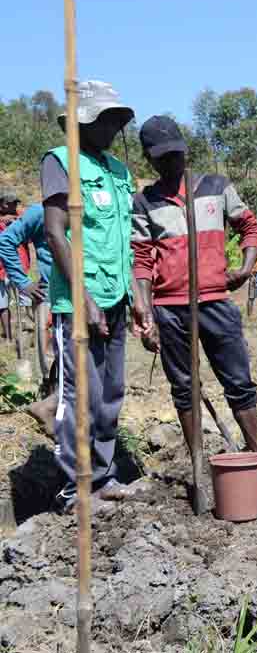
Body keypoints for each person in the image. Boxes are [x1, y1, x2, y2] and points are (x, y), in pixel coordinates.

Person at [130, 116, 257, 483]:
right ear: (149, 160)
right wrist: (145, 311)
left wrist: (247, 267)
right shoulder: (144, 201)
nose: (171, 163)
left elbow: (249, 226)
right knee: (185, 387)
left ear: (185, 151)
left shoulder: (215, 187)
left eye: (175, 155)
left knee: (238, 380)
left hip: (216, 301)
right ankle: (199, 465)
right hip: (170, 308)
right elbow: (140, 259)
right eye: (162, 158)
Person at [41, 80, 153, 514]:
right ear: (81, 121)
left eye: (114, 120)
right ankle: (75, 488)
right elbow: (55, 232)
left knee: (110, 393)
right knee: (80, 396)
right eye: (102, 120)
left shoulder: (119, 172)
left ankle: (104, 477)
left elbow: (126, 240)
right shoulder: (60, 162)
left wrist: (138, 298)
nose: (110, 128)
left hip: (117, 297)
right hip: (78, 300)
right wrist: (82, 296)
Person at [0, 196, 57, 428]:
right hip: (49, 291)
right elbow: (6, 242)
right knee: (50, 352)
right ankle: (50, 400)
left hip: (86, 292)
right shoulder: (38, 212)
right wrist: (23, 282)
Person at [0, 188, 30, 341]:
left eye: (15, 203)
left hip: (19, 265)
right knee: (2, 304)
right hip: (1, 270)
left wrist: (17, 224)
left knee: (27, 298)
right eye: (10, 204)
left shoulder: (21, 217)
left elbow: (31, 238)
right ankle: (9, 337)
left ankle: (31, 325)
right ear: (2, 205)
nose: (14, 207)